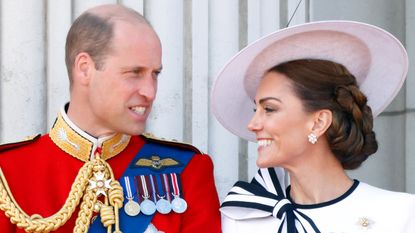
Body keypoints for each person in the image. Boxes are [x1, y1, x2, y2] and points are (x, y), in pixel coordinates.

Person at [0, 4, 220, 233]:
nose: (151, 91)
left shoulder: (186, 170)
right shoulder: (8, 173)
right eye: (134, 72)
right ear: (85, 69)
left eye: (155, 74)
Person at [211, 20, 415, 232]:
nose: (252, 125)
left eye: (269, 109)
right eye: (256, 110)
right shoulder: (239, 222)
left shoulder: (401, 215)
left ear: (318, 122)